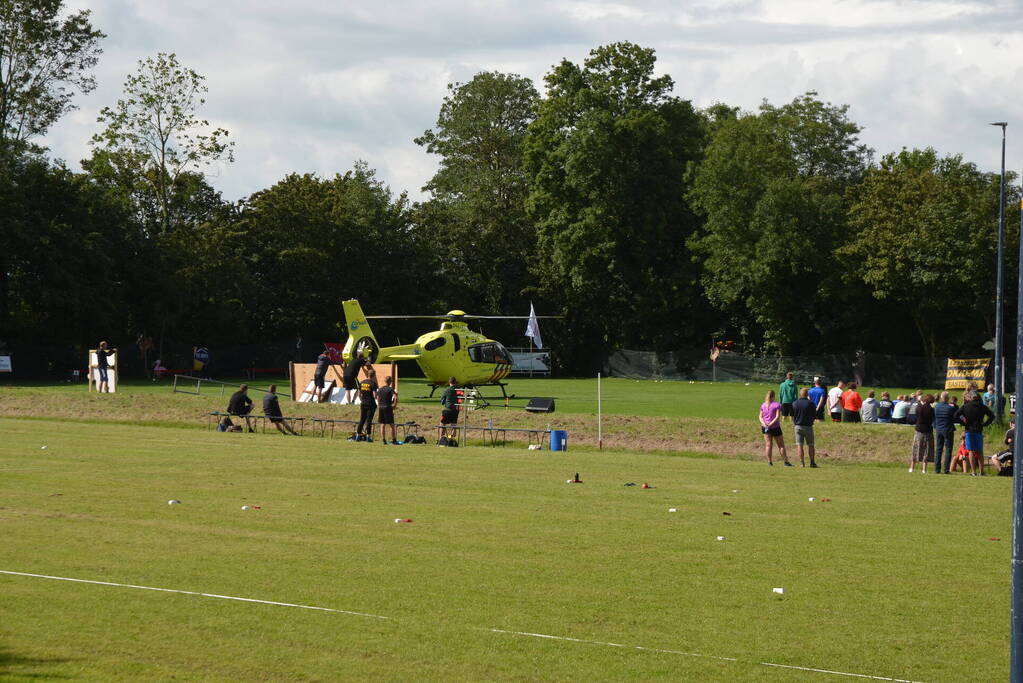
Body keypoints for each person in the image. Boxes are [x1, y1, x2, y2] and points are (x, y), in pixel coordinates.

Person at [954, 391, 995, 476]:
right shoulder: (982, 407)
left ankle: (973, 472)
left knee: (971, 451)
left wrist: (963, 422)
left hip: (969, 430)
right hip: (979, 430)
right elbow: (992, 416)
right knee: (980, 451)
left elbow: (955, 415)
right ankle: (981, 471)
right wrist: (985, 424)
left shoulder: (965, 406)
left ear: (971, 397)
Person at [759, 389, 792, 466]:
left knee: (768, 445)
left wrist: (764, 423)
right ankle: (786, 462)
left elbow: (760, 416)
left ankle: (769, 462)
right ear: (773, 396)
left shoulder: (763, 405)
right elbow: (777, 417)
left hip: (765, 427)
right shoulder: (777, 405)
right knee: (781, 445)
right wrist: (771, 424)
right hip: (775, 427)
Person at [791, 388, 818, 467]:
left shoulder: (795, 403)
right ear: (807, 394)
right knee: (811, 445)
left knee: (799, 445)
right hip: (808, 426)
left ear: (800, 394)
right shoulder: (811, 403)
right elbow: (814, 415)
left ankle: (802, 463)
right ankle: (812, 462)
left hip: (798, 426)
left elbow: (792, 415)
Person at [932, 391, 957, 474]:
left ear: (941, 398)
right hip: (948, 429)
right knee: (948, 450)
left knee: (938, 449)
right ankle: (946, 469)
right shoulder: (950, 408)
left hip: (939, 429)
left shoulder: (936, 407)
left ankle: (937, 469)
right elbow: (954, 418)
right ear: (948, 398)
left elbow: (935, 417)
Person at [909, 394, 934, 473]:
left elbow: (915, 417)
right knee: (926, 449)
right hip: (928, 431)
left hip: (919, 430)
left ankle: (912, 468)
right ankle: (924, 469)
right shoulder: (931, 409)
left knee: (916, 448)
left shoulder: (919, 408)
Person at [353, 368, 378, 441]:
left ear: (368, 374)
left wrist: (361, 400)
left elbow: (359, 393)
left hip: (363, 403)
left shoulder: (362, 382)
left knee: (362, 420)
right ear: (373, 375)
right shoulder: (373, 384)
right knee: (369, 420)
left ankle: (358, 435)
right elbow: (374, 395)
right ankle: (368, 437)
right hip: (371, 404)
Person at [377, 375, 399, 444]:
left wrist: (379, 404)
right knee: (392, 425)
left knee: (382, 425)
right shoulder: (390, 389)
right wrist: (395, 404)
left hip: (381, 407)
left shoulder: (380, 389)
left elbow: (377, 397)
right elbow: (395, 397)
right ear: (390, 382)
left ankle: (383, 440)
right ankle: (394, 439)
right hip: (388, 407)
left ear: (385, 381)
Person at [439, 376, 460, 445]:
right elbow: (460, 399)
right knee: (453, 425)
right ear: (455, 382)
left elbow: (442, 401)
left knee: (442, 424)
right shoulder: (459, 390)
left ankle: (441, 439)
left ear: (449, 382)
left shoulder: (447, 390)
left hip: (447, 410)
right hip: (456, 410)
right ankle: (451, 439)